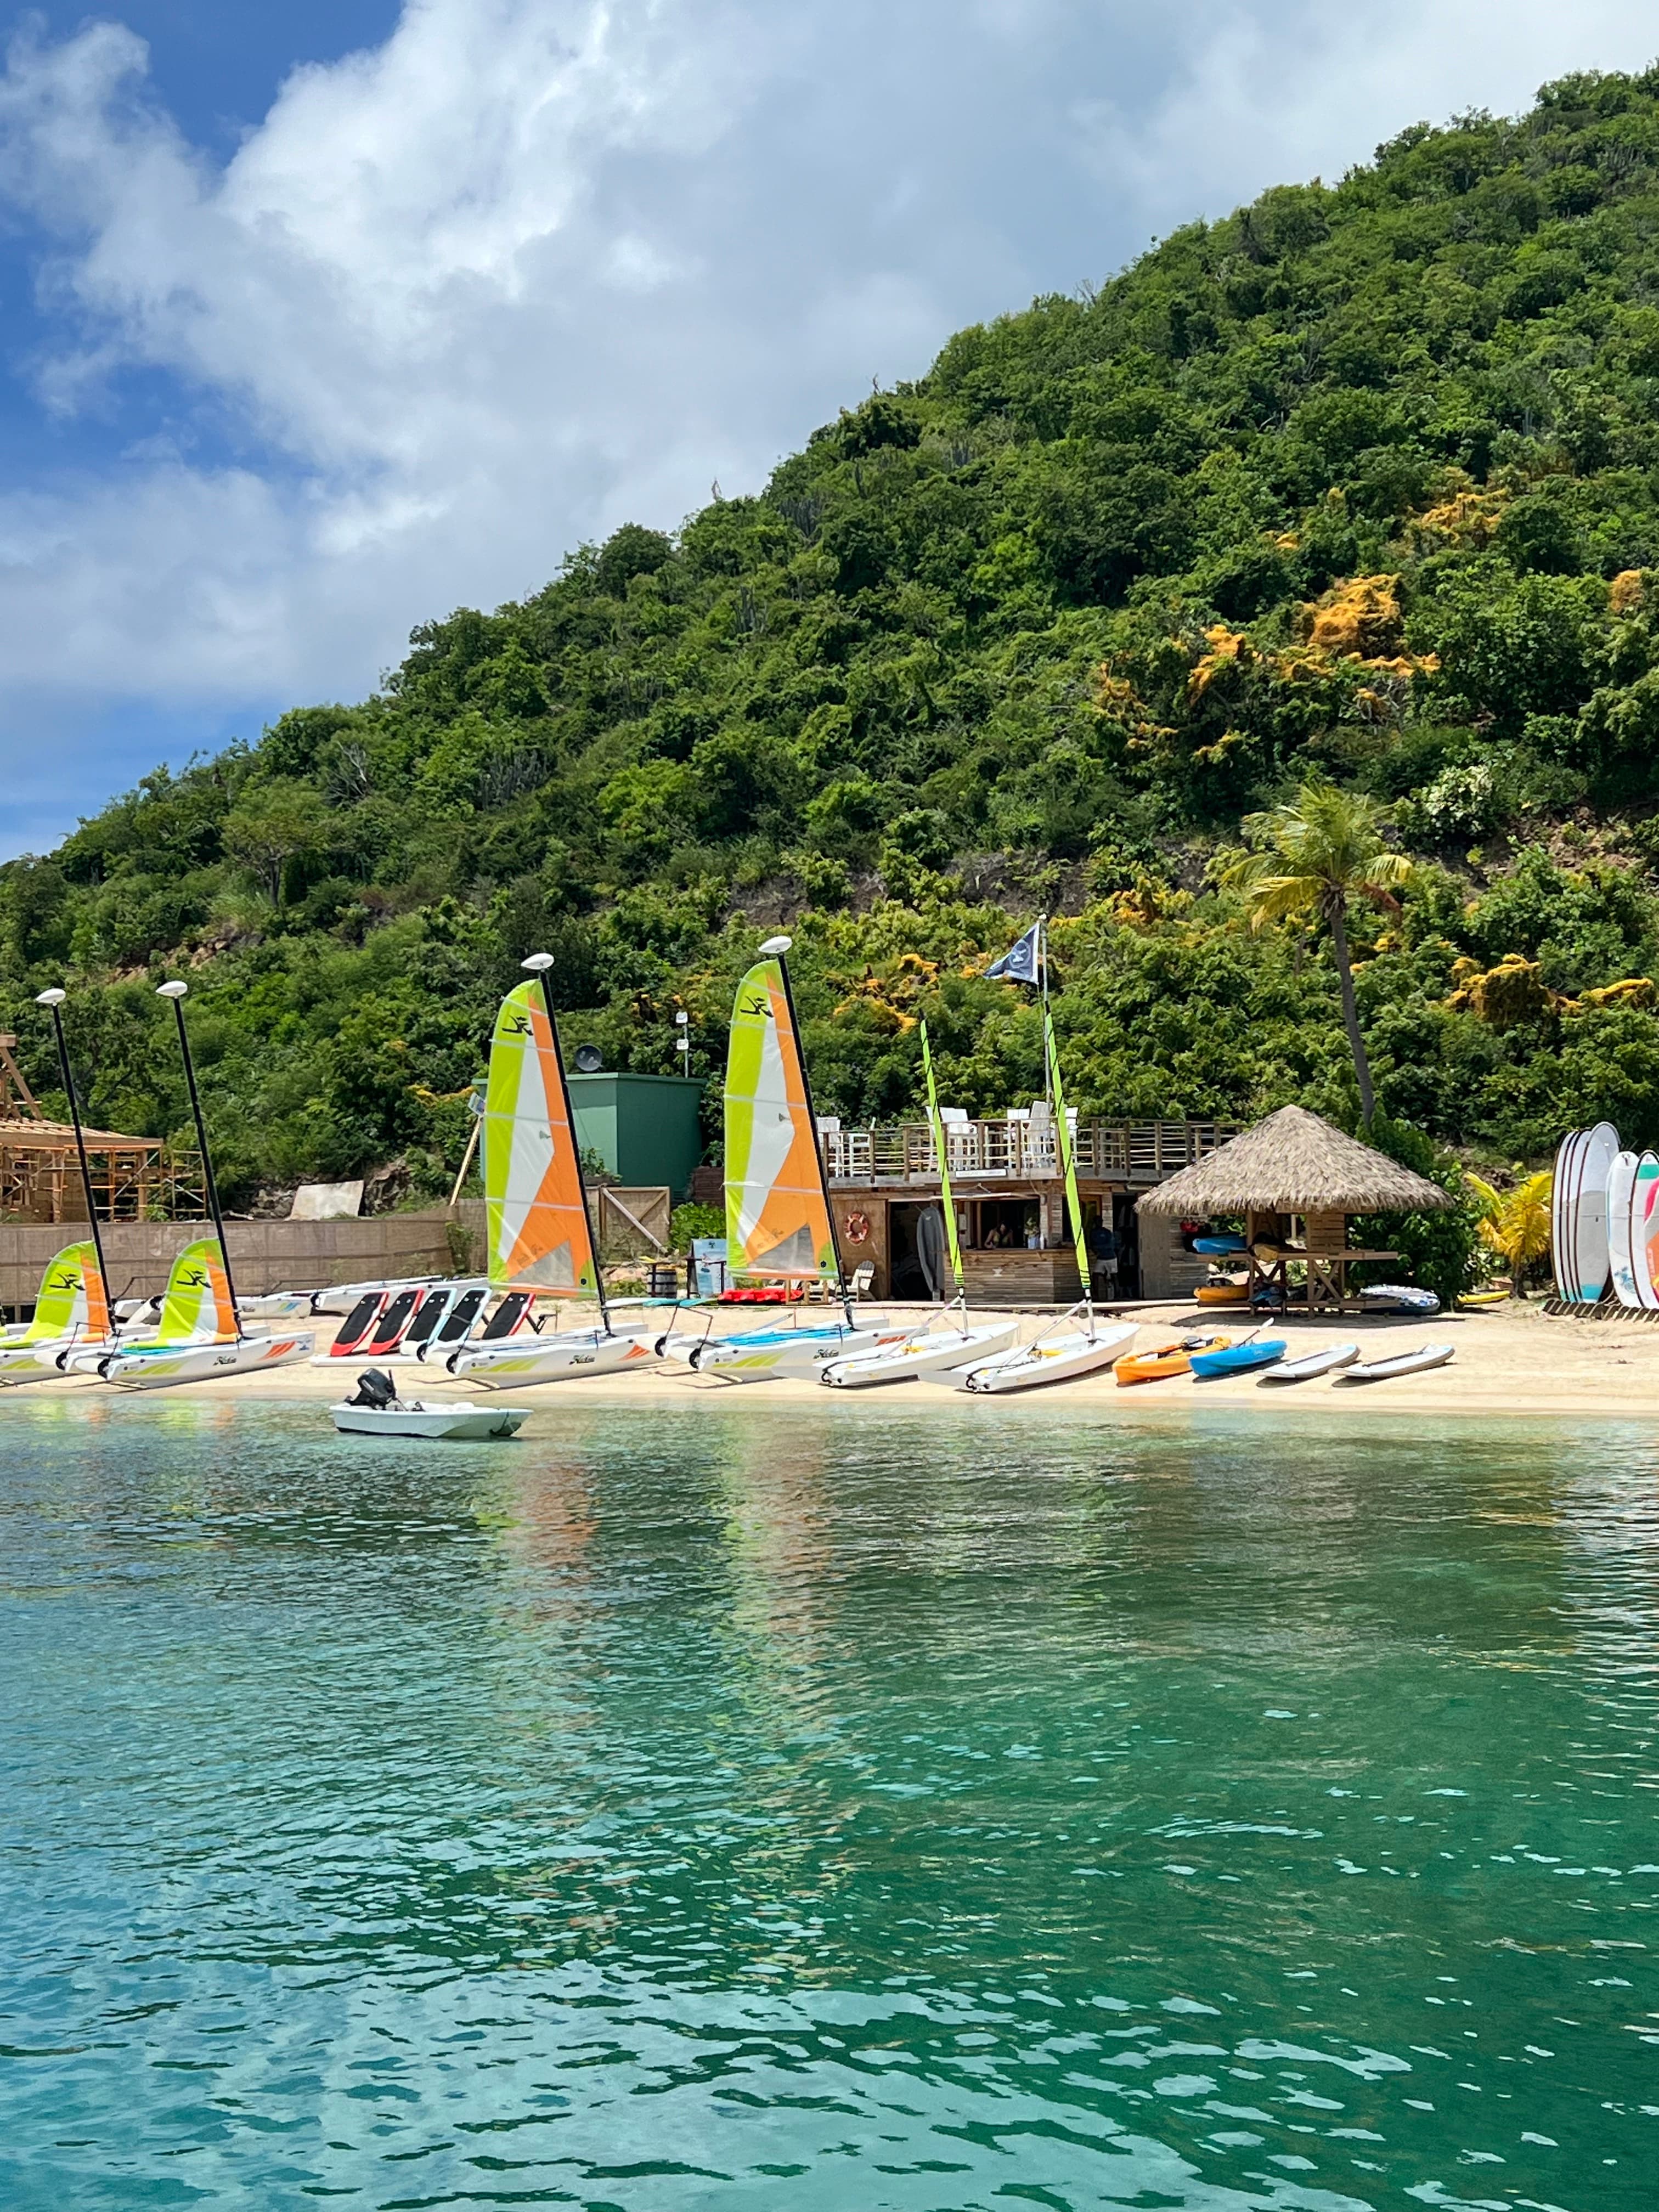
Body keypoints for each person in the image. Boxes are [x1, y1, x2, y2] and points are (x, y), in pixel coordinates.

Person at [1087, 1217, 1120, 1298]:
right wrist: (1096, 1251)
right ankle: (1096, 1296)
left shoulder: (1107, 1232)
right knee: (1095, 1275)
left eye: (1101, 1221)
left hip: (1111, 1257)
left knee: (1114, 1276)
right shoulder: (1093, 1233)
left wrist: (1099, 1247)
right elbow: (1091, 1245)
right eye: (1098, 1221)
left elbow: (1111, 1245)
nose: (1100, 1223)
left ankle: (1118, 1296)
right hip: (1101, 1258)